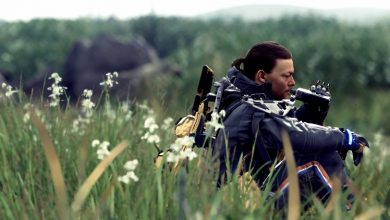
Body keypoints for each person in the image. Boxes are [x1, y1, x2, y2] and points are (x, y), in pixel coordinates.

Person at [212, 41, 369, 210]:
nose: (293, 82)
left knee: (318, 148)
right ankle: (357, 212)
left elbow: (284, 126)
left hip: (251, 194)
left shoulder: (246, 98)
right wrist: (344, 137)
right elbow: (296, 136)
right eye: (286, 76)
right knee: (317, 153)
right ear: (262, 76)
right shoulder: (252, 109)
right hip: (244, 205)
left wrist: (313, 111)